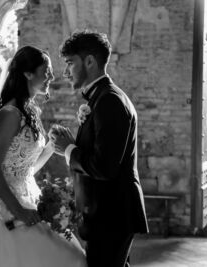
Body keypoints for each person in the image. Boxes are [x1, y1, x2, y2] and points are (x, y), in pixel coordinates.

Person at [0, 45, 87, 267]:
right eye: (45, 71)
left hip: (30, 200)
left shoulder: (30, 111)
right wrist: (19, 210)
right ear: (27, 74)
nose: (51, 77)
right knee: (68, 259)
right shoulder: (10, 114)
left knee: (72, 257)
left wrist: (50, 147)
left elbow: (26, 169)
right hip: (8, 209)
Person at [51, 30, 149, 267]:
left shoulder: (109, 101)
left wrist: (69, 150)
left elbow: (104, 167)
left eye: (70, 63)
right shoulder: (101, 98)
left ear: (90, 61)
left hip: (111, 217)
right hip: (107, 215)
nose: (65, 72)